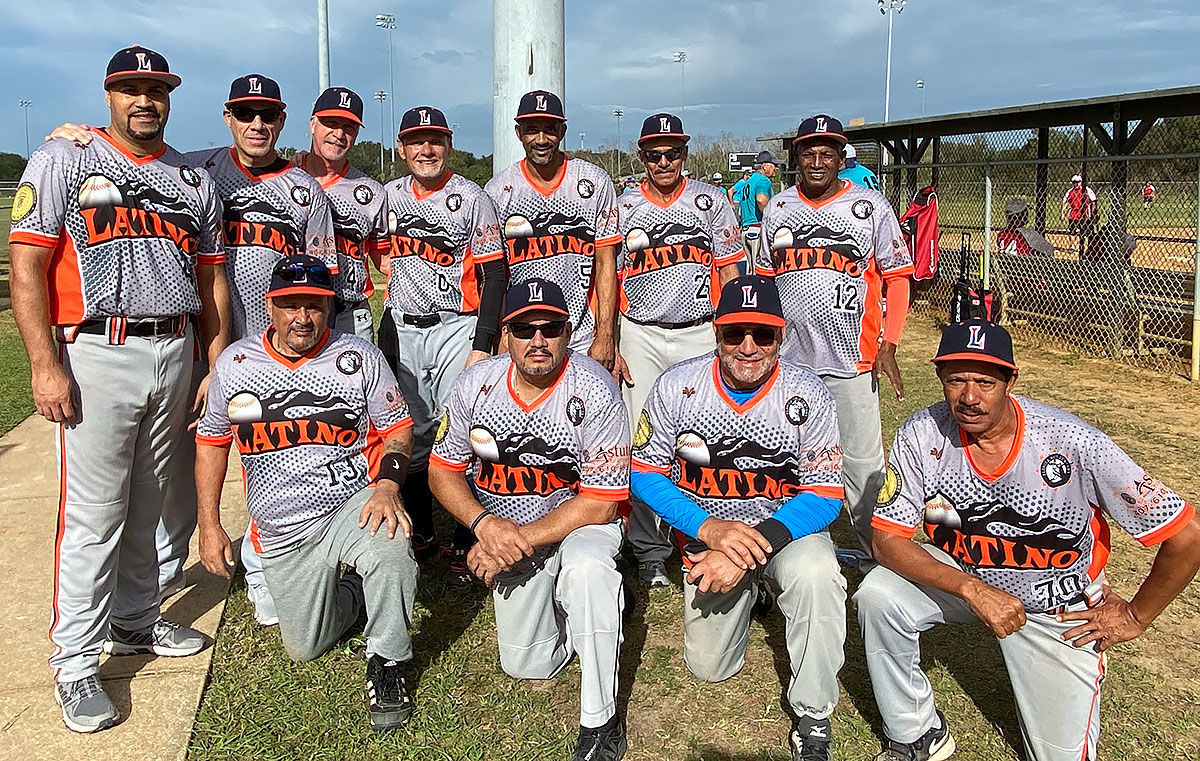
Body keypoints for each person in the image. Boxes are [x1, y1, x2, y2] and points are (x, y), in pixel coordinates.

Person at [43, 74, 338, 624]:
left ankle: (266, 565)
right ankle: (156, 585)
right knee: (176, 475)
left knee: (278, 460)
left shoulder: (304, 190)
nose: (256, 124)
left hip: (276, 350)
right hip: (204, 348)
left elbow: (324, 280)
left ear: (282, 120)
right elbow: (138, 154)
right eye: (245, 113)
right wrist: (74, 133)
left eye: (267, 114)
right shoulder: (198, 170)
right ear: (228, 117)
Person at [856, 319, 1200, 761]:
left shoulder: (1072, 441)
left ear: (1010, 381)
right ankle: (915, 732)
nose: (969, 397)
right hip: (967, 576)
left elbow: (1187, 535)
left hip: (1058, 607)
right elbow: (887, 540)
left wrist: (1136, 615)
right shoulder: (923, 433)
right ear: (940, 377)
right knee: (880, 594)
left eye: (985, 382)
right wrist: (973, 589)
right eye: (956, 380)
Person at [9, 45, 229, 733]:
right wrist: (43, 364)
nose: (145, 100)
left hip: (174, 347)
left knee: (150, 503)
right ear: (109, 94)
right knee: (93, 514)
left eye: (156, 89)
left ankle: (134, 621)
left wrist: (213, 360)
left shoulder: (191, 180)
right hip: (96, 349)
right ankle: (75, 660)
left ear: (169, 98)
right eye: (131, 88)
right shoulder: (64, 158)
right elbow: (26, 265)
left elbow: (211, 280)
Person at [195, 254, 420, 733]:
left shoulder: (358, 356)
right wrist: (209, 524)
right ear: (269, 307)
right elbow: (211, 442)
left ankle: (388, 661)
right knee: (304, 646)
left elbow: (399, 428)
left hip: (349, 503)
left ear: (329, 307)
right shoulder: (236, 364)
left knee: (391, 542)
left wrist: (387, 485)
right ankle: (355, 593)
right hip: (281, 527)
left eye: (314, 305)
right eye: (290, 305)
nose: (302, 317)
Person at [631, 275, 848, 761]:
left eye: (762, 334)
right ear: (716, 332)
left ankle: (813, 714)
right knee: (710, 667)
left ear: (781, 335)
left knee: (817, 574)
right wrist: (709, 529)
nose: (748, 347)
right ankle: (755, 591)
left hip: (784, 531)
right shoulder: (677, 385)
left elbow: (825, 494)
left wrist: (746, 549)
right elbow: (644, 474)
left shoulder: (809, 393)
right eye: (735, 333)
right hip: (708, 536)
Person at [429, 279, 631, 761]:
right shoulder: (475, 384)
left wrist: (509, 538)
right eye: (524, 329)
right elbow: (441, 471)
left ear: (568, 332)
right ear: (505, 335)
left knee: (588, 572)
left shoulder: (595, 388)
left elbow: (600, 503)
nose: (537, 340)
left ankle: (601, 721)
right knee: (527, 664)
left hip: (581, 525)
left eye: (550, 328)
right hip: (508, 532)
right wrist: (483, 526)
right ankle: (575, 614)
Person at [755, 114, 913, 555]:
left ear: (841, 158)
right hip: (790, 362)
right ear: (796, 158)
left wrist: (889, 343)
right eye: (809, 153)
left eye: (827, 153)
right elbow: (765, 282)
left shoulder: (870, 206)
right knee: (790, 459)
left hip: (852, 359)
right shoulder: (779, 208)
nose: (818, 161)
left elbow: (899, 277)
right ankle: (796, 545)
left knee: (862, 465)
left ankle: (874, 551)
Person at [376, 105, 507, 585]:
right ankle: (423, 532)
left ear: (449, 145)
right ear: (402, 148)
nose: (426, 149)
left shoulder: (470, 196)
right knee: (410, 430)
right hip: (404, 325)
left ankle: (465, 537)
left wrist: (483, 341)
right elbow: (372, 248)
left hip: (455, 324)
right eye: (416, 141)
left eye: (435, 140)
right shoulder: (389, 196)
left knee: (464, 432)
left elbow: (495, 273)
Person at [617, 112, 744, 587]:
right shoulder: (624, 205)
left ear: (685, 154)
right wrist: (611, 338)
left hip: (699, 329)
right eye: (654, 154)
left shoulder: (711, 201)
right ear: (642, 157)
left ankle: (705, 536)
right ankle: (649, 549)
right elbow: (606, 273)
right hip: (641, 331)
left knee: (707, 437)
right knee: (642, 439)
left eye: (672, 153)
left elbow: (731, 271)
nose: (664, 162)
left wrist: (732, 333)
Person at [485, 90, 623, 377]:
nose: (541, 139)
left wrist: (606, 335)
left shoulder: (593, 181)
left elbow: (606, 263)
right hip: (524, 333)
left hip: (582, 333)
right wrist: (502, 332)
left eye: (549, 129)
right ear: (518, 133)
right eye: (531, 130)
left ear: (562, 131)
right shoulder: (498, 190)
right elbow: (495, 275)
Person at [296, 86, 388, 340]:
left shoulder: (372, 192)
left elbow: (384, 259)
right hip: (295, 309)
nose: (339, 134)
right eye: (331, 123)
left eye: (348, 127)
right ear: (312, 124)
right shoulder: (285, 178)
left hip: (350, 311)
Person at [739, 151, 777, 263]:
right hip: (757, 228)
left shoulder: (748, 181)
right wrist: (771, 219)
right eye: (774, 165)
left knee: (750, 269)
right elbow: (760, 199)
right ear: (764, 166)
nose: (776, 168)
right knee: (760, 269)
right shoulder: (763, 180)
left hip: (746, 229)